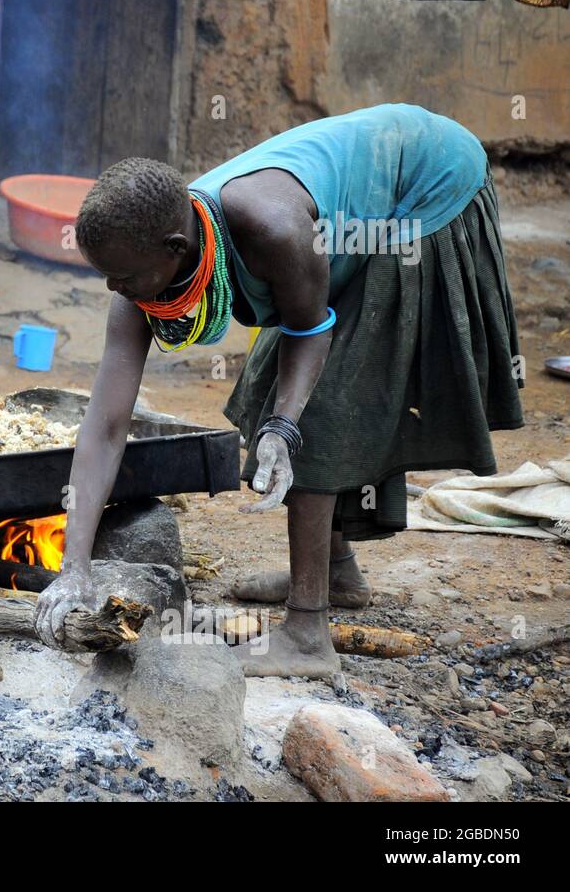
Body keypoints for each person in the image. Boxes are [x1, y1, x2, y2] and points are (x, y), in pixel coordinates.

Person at [34, 104, 523, 678]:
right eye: (107, 278)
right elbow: (107, 423)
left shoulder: (272, 228)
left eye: (125, 278)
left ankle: (308, 633)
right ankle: (335, 570)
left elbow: (311, 330)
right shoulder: (143, 262)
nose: (117, 291)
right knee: (280, 395)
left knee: (314, 420)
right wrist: (75, 568)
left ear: (174, 248)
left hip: (424, 189)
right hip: (343, 218)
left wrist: (284, 429)